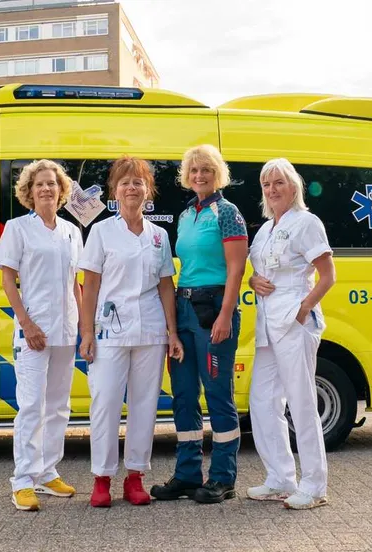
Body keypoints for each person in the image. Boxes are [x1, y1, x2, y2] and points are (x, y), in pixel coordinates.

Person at [79, 155, 183, 508]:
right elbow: (89, 285)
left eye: (138, 182)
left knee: (144, 405)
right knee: (105, 401)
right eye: (125, 182)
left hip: (151, 330)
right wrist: (87, 332)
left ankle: (135, 476)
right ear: (115, 190)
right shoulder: (101, 231)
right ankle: (102, 478)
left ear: (147, 190)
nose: (131, 187)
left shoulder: (159, 235)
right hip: (109, 330)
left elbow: (166, 285)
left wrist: (172, 332)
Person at [151, 144, 248, 504]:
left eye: (206, 170)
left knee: (218, 395)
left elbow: (236, 268)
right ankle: (188, 475)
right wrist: (173, 326)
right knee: (184, 395)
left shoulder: (228, 213)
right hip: (185, 307)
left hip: (214, 312)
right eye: (193, 171)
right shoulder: (185, 213)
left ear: (217, 174)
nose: (199, 176)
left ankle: (223, 478)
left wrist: (226, 314)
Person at [0, 159, 83, 512]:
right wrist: (26, 324)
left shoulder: (72, 231)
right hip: (35, 331)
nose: (46, 188)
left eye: (52, 184)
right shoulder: (17, 228)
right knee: (31, 406)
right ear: (29, 192)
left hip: (66, 329)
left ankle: (47, 472)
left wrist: (84, 327)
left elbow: (76, 282)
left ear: (62, 191)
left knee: (59, 406)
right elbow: (7, 281)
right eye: (39, 184)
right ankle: (23, 480)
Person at [246, 158, 336, 510]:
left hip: (294, 321)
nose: (272, 189)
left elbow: (328, 275)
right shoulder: (265, 229)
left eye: (278, 182)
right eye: (266, 184)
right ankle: (280, 478)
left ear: (293, 186)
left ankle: (314, 485)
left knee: (300, 402)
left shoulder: (306, 223)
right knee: (263, 400)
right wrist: (253, 280)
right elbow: (257, 272)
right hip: (268, 324)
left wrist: (303, 309)